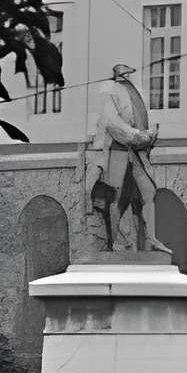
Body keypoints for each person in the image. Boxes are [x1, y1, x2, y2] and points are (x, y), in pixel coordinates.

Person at [76, 65, 157, 255]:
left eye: (128, 74)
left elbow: (132, 121)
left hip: (133, 153)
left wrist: (144, 136)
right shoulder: (110, 92)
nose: (127, 77)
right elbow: (114, 124)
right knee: (116, 198)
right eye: (124, 74)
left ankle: (146, 240)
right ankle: (117, 244)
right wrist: (141, 136)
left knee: (147, 193)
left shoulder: (132, 92)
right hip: (116, 152)